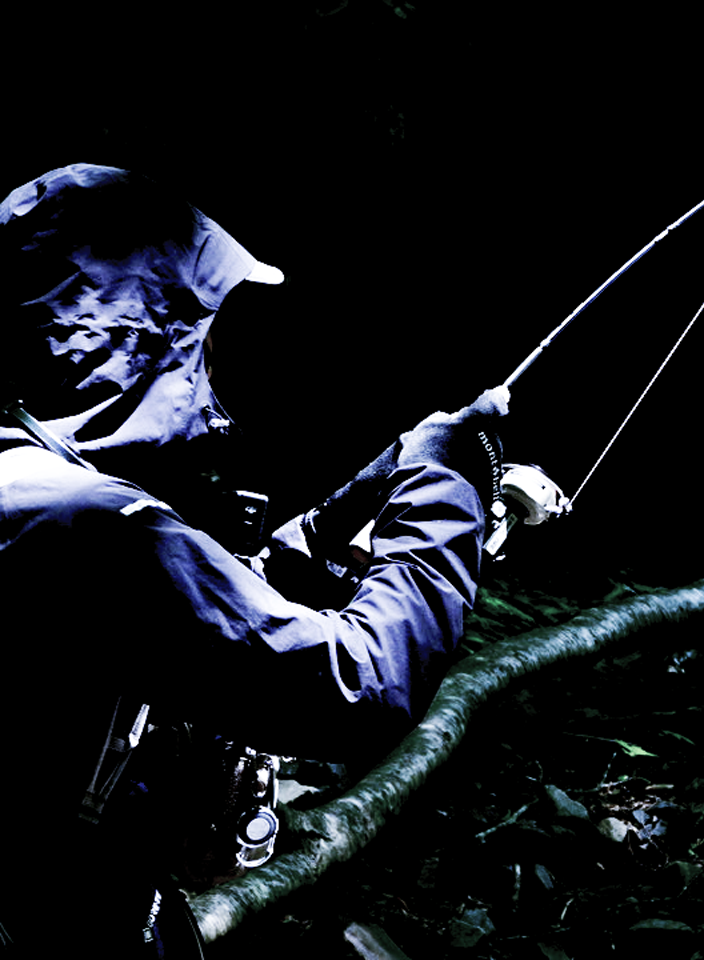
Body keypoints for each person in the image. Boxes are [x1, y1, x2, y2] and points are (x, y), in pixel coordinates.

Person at [0, 163, 509, 956]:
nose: (211, 370)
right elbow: (358, 685)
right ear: (136, 328)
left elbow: (211, 605)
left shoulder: (30, 488)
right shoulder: (90, 523)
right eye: (199, 333)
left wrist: (375, 489)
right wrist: (447, 487)